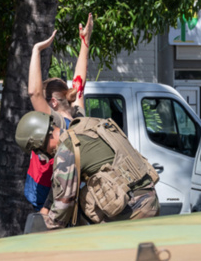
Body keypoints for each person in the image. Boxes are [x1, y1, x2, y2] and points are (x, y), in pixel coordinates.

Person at [15, 111, 160, 230]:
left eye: (37, 151)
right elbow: (59, 187)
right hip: (148, 197)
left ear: (39, 142)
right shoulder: (85, 128)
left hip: (133, 209)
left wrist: (44, 231)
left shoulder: (66, 151)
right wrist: (45, 209)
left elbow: (63, 205)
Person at [24, 14, 94, 216]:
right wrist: (85, 42)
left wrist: (37, 50)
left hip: (46, 202)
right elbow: (79, 83)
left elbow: (34, 92)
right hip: (68, 199)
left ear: (53, 103)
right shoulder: (78, 117)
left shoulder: (54, 122)